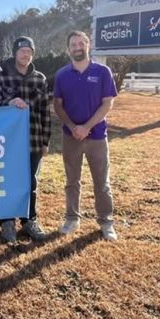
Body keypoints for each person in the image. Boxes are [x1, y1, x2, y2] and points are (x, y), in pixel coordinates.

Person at [53, 30, 118, 241]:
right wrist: (73, 127)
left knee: (102, 182)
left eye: (81, 43)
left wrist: (87, 127)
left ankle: (106, 222)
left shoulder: (102, 71)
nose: (77, 47)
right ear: (68, 49)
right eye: (73, 44)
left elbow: (107, 103)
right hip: (70, 136)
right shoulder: (62, 74)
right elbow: (58, 105)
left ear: (88, 45)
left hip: (96, 136)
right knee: (72, 181)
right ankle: (72, 218)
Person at [0, 36, 51, 243]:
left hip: (33, 138)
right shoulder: (2, 77)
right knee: (7, 181)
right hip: (8, 141)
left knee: (30, 182)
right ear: (15, 53)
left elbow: (45, 112)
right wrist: (9, 102)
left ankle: (29, 220)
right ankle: (7, 221)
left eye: (29, 51)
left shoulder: (40, 79)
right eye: (22, 51)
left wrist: (45, 141)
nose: (25, 54)